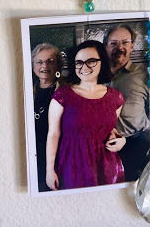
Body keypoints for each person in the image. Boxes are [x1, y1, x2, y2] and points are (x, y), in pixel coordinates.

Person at [46, 40, 126, 190]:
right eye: (79, 62)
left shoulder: (116, 98)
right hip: (72, 162)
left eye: (91, 61)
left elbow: (109, 130)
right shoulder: (62, 95)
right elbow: (53, 134)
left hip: (107, 165)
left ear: (102, 62)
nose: (84, 67)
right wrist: (49, 170)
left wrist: (122, 141)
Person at [104, 24, 150, 181]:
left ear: (132, 46)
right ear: (106, 47)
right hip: (102, 148)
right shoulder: (94, 76)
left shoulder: (144, 76)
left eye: (124, 42)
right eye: (113, 43)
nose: (120, 47)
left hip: (136, 148)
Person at [32, 42, 60, 192]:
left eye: (50, 61)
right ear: (33, 66)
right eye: (39, 62)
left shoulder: (65, 91)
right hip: (34, 154)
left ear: (57, 65)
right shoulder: (27, 90)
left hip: (56, 156)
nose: (44, 66)